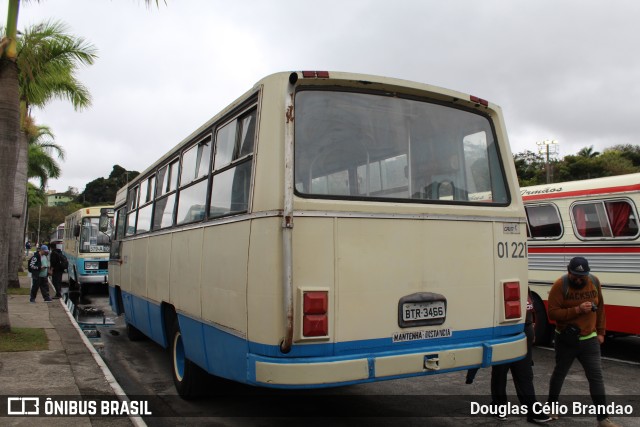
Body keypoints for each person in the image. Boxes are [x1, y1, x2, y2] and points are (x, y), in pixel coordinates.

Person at [547, 257, 621, 427]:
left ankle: (603, 418)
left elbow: (601, 307)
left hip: (590, 340)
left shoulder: (594, 281)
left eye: (583, 276)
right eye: (575, 276)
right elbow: (552, 313)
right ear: (568, 271)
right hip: (566, 340)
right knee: (560, 373)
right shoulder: (560, 285)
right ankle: (552, 406)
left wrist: (601, 332)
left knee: (596, 378)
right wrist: (577, 310)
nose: (579, 279)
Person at [490, 288, 552, 423]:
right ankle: (498, 407)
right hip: (504, 332)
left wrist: (532, 332)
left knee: (524, 374)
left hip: (524, 332)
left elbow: (529, 308)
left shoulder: (524, 284)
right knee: (500, 372)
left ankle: (532, 411)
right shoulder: (499, 283)